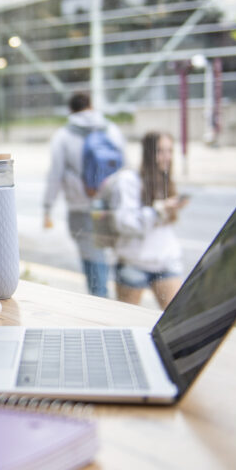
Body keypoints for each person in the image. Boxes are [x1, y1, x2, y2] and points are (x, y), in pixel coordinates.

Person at [42, 91, 126, 297]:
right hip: (109, 204)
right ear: (91, 105)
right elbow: (125, 166)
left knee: (91, 258)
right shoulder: (111, 129)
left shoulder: (63, 136)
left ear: (70, 109)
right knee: (104, 254)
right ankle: (103, 297)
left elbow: (55, 174)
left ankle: (100, 302)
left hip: (80, 206)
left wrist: (47, 208)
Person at [111, 131, 188, 309]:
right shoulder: (129, 180)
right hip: (134, 263)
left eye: (170, 151)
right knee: (126, 322)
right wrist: (158, 211)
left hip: (165, 262)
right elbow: (124, 222)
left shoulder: (165, 179)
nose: (166, 157)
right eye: (160, 151)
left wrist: (171, 208)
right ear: (148, 153)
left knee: (175, 321)